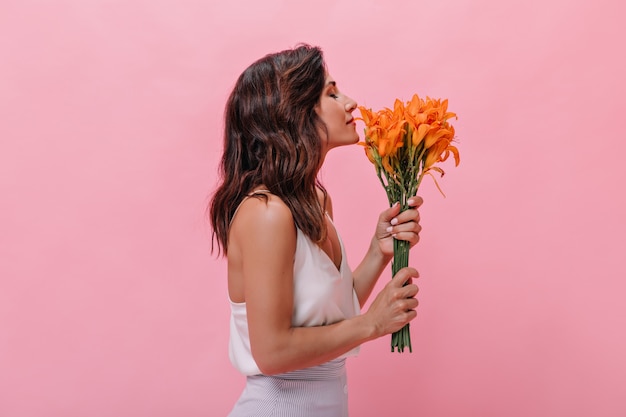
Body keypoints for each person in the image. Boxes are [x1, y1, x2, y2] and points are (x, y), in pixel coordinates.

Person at [209, 44, 423, 417]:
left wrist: (378, 250)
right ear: (294, 114)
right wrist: (372, 323)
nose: (351, 102)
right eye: (331, 93)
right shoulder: (266, 214)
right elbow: (272, 351)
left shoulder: (314, 204)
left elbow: (326, 316)